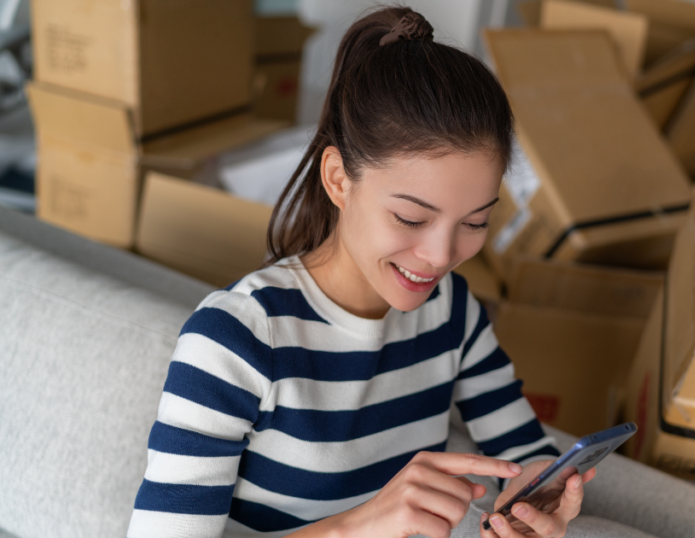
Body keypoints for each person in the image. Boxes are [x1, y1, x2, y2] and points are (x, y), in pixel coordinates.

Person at [127, 7, 590, 538]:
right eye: (411, 218)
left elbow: (524, 453)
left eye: (475, 221)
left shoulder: (453, 312)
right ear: (339, 180)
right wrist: (357, 526)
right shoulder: (237, 340)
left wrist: (539, 498)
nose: (440, 256)